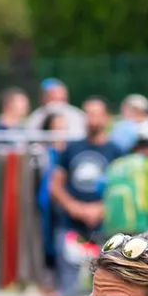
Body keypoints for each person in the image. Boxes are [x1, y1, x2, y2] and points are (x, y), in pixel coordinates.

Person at [51, 98, 118, 244]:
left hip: (106, 228)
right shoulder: (70, 148)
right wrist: (73, 207)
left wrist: (101, 209)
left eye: (96, 114)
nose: (92, 120)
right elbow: (55, 184)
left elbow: (123, 188)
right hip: (70, 225)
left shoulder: (117, 151)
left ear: (106, 117)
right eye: (88, 114)